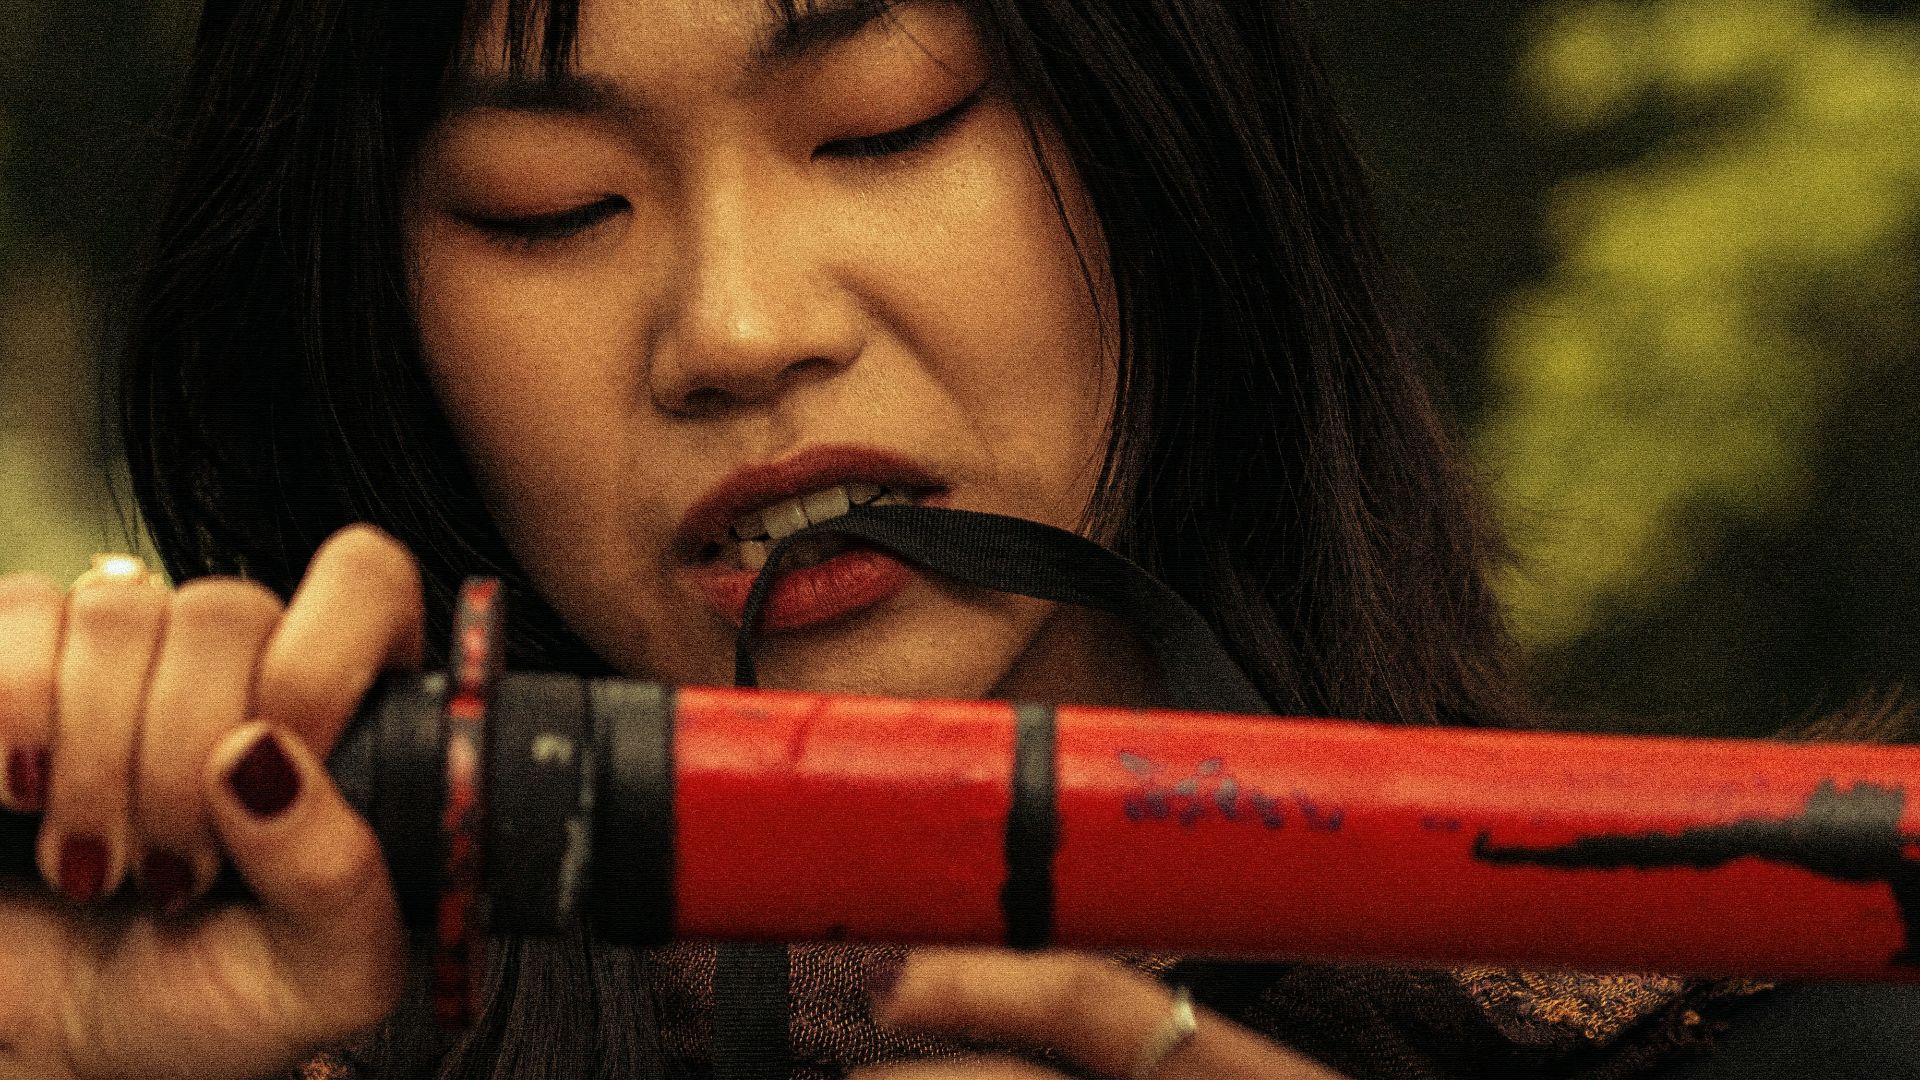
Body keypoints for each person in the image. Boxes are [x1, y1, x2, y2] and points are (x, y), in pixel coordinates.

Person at [1, 1, 1911, 1078]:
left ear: (1166, 150)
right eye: (548, 204)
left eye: (889, 126)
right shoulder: (251, 1043)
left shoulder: (1794, 1012)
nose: (743, 330)